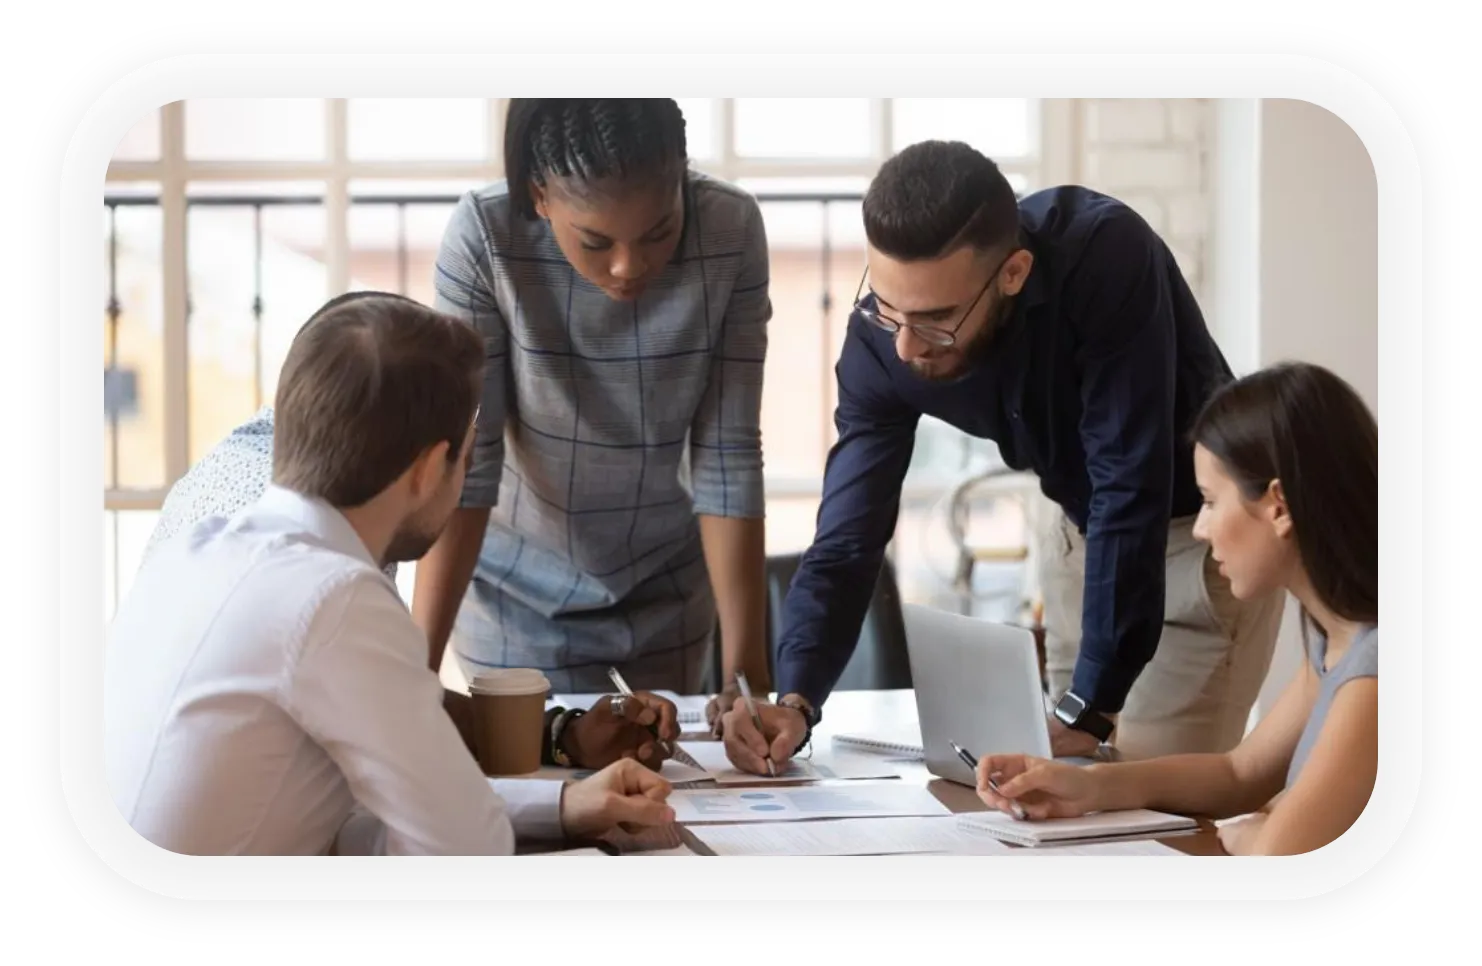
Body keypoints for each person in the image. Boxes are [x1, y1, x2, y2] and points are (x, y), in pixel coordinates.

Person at [721, 140, 1286, 774]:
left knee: (1153, 807)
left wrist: (1090, 708)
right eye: (888, 305)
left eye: (936, 319)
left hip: (1203, 547)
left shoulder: (1104, 256)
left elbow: (1129, 482)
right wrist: (796, 700)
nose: (906, 347)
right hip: (1082, 539)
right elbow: (846, 540)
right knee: (1062, 802)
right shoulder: (881, 341)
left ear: (1012, 273)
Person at [105, 292, 678, 855]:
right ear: (430, 468)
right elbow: (463, 849)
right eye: (467, 459)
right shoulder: (334, 596)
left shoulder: (199, 551)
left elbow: (345, 819)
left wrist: (560, 810)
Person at [414, 98, 773, 725]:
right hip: (516, 599)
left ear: (683, 176)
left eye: (659, 231)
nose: (629, 267)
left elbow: (727, 455)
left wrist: (748, 686)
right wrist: (412, 677)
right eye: (595, 241)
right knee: (538, 790)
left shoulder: (731, 229)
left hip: (668, 591)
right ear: (540, 196)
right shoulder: (485, 237)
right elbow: (469, 466)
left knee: (661, 796)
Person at [973, 361, 1378, 857]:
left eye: (1209, 501)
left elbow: (1278, 858)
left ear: (1279, 506)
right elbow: (1240, 774)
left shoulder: (1376, 672)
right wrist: (1089, 787)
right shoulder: (1333, 633)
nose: (1201, 530)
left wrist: (1256, 834)